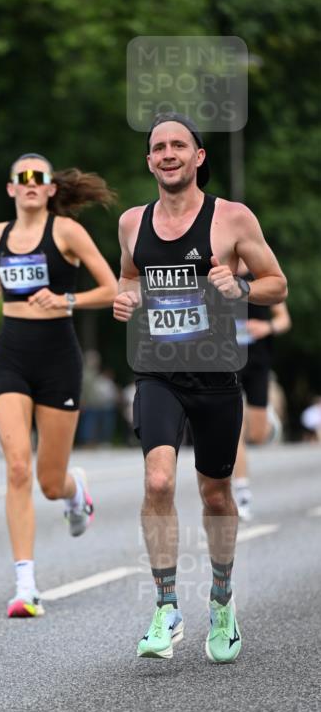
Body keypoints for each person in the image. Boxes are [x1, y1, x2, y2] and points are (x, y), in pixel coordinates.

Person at [113, 112, 287, 663]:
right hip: (157, 372)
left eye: (179, 145)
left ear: (198, 156)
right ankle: (166, 607)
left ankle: (222, 601)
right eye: (159, 147)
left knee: (215, 493)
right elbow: (129, 276)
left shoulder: (232, 218)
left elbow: (277, 283)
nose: (168, 154)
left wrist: (239, 286)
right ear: (149, 161)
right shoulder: (132, 223)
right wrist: (125, 298)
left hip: (216, 375)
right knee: (158, 480)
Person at [0, 153, 118, 617]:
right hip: (10, 357)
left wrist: (66, 299)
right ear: (10, 189)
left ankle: (74, 490)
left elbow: (112, 290)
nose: (28, 183)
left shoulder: (66, 232)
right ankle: (25, 586)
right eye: (20, 177)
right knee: (18, 468)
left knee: (48, 482)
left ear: (49, 189)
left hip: (58, 360)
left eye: (37, 177)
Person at [233, 264, 292, 520]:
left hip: (258, 359)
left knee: (257, 435)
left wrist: (266, 327)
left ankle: (267, 422)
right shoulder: (218, 270)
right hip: (227, 358)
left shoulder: (260, 272)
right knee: (233, 429)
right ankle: (241, 491)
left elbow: (283, 319)